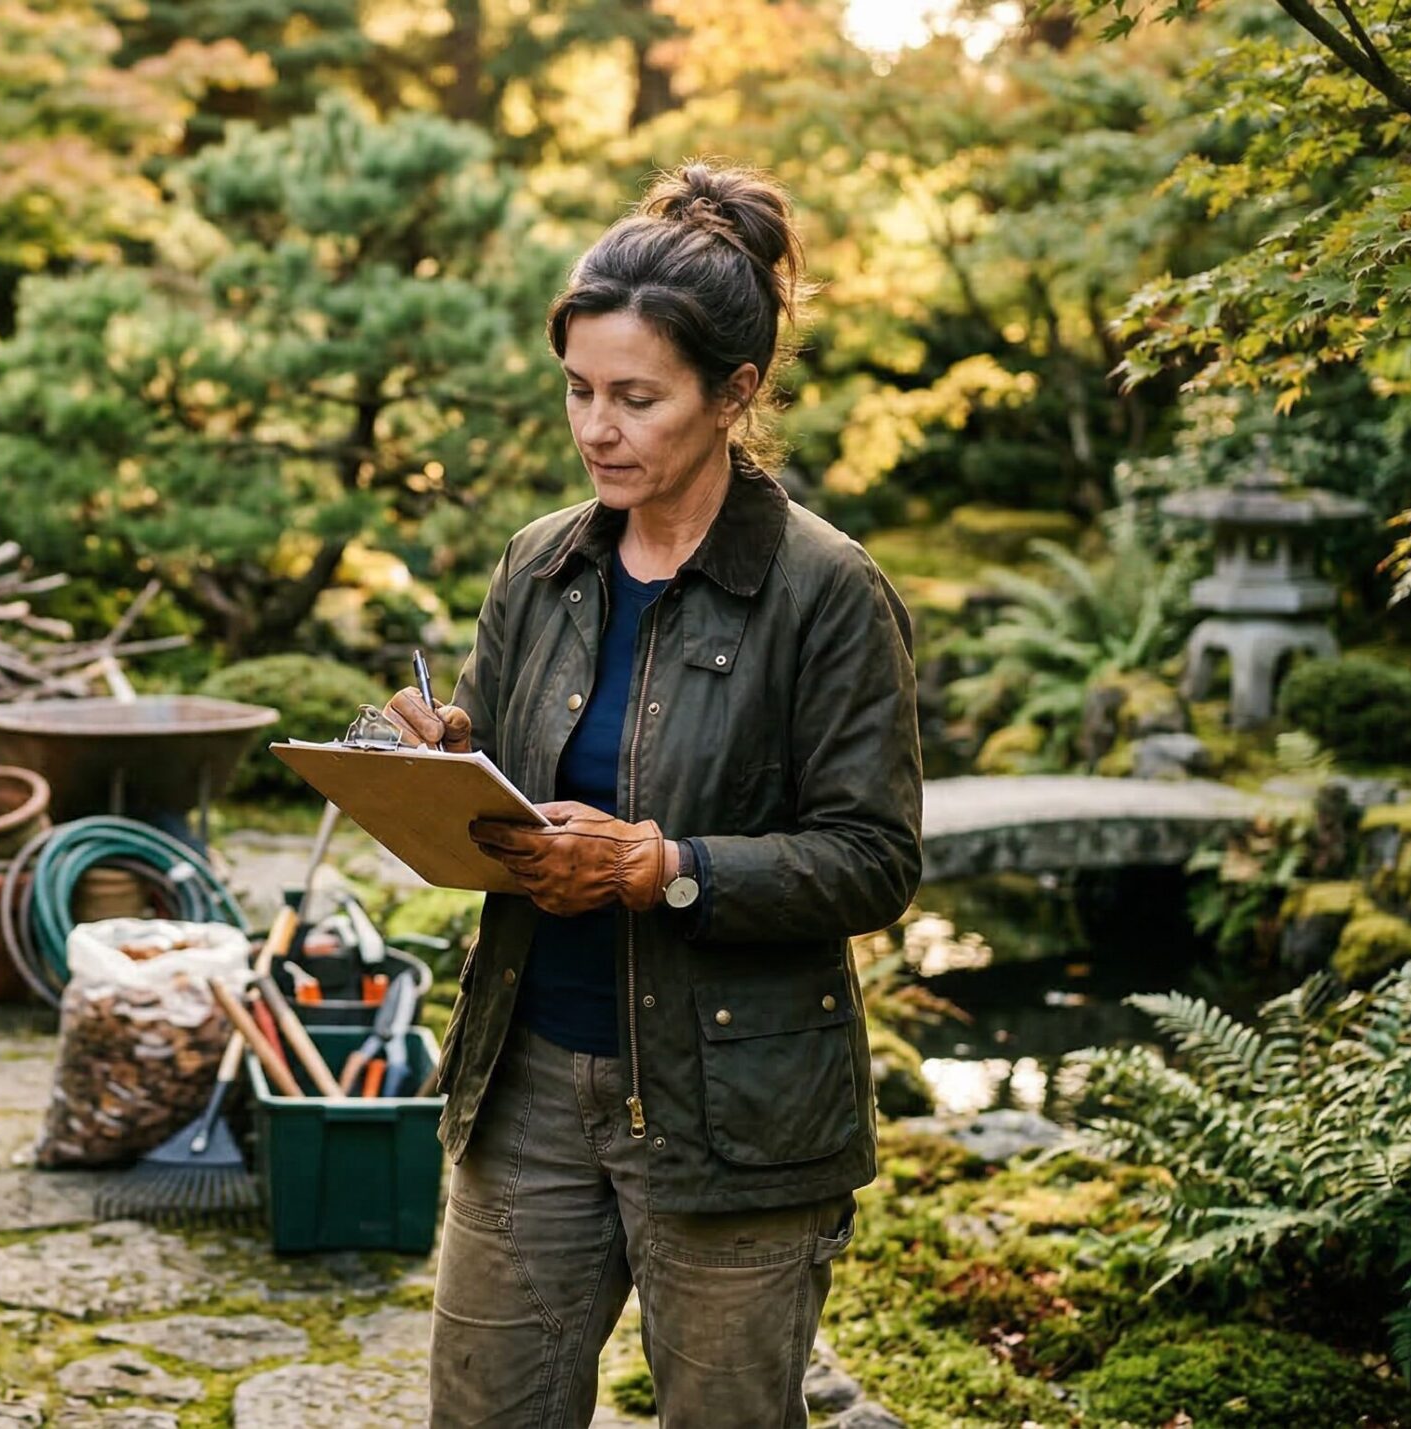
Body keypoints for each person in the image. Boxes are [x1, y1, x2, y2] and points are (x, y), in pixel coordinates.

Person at [384, 162, 922, 1428]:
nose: (596, 428)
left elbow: (873, 857)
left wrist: (660, 866)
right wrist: (446, 755)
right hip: (528, 1078)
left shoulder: (824, 591)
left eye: (636, 397)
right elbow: (513, 773)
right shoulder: (540, 563)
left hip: (734, 1114)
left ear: (733, 393)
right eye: (578, 390)